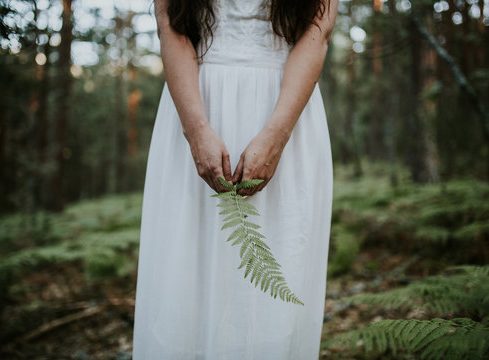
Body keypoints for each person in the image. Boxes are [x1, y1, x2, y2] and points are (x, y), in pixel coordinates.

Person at [132, 0, 339, 358]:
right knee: (184, 269)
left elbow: (317, 32)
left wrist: (277, 136)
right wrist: (196, 131)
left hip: (286, 106)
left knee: (279, 267)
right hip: (195, 102)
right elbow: (170, 22)